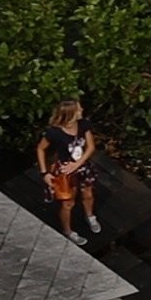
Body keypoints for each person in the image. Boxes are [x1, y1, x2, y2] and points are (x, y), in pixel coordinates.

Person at [37, 99, 99, 246]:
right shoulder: (54, 132)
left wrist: (78, 164)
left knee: (88, 193)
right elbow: (40, 149)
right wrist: (44, 172)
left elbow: (90, 147)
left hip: (82, 166)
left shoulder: (83, 124)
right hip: (65, 171)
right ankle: (68, 230)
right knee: (67, 203)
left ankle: (90, 216)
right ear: (71, 113)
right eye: (79, 109)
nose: (82, 110)